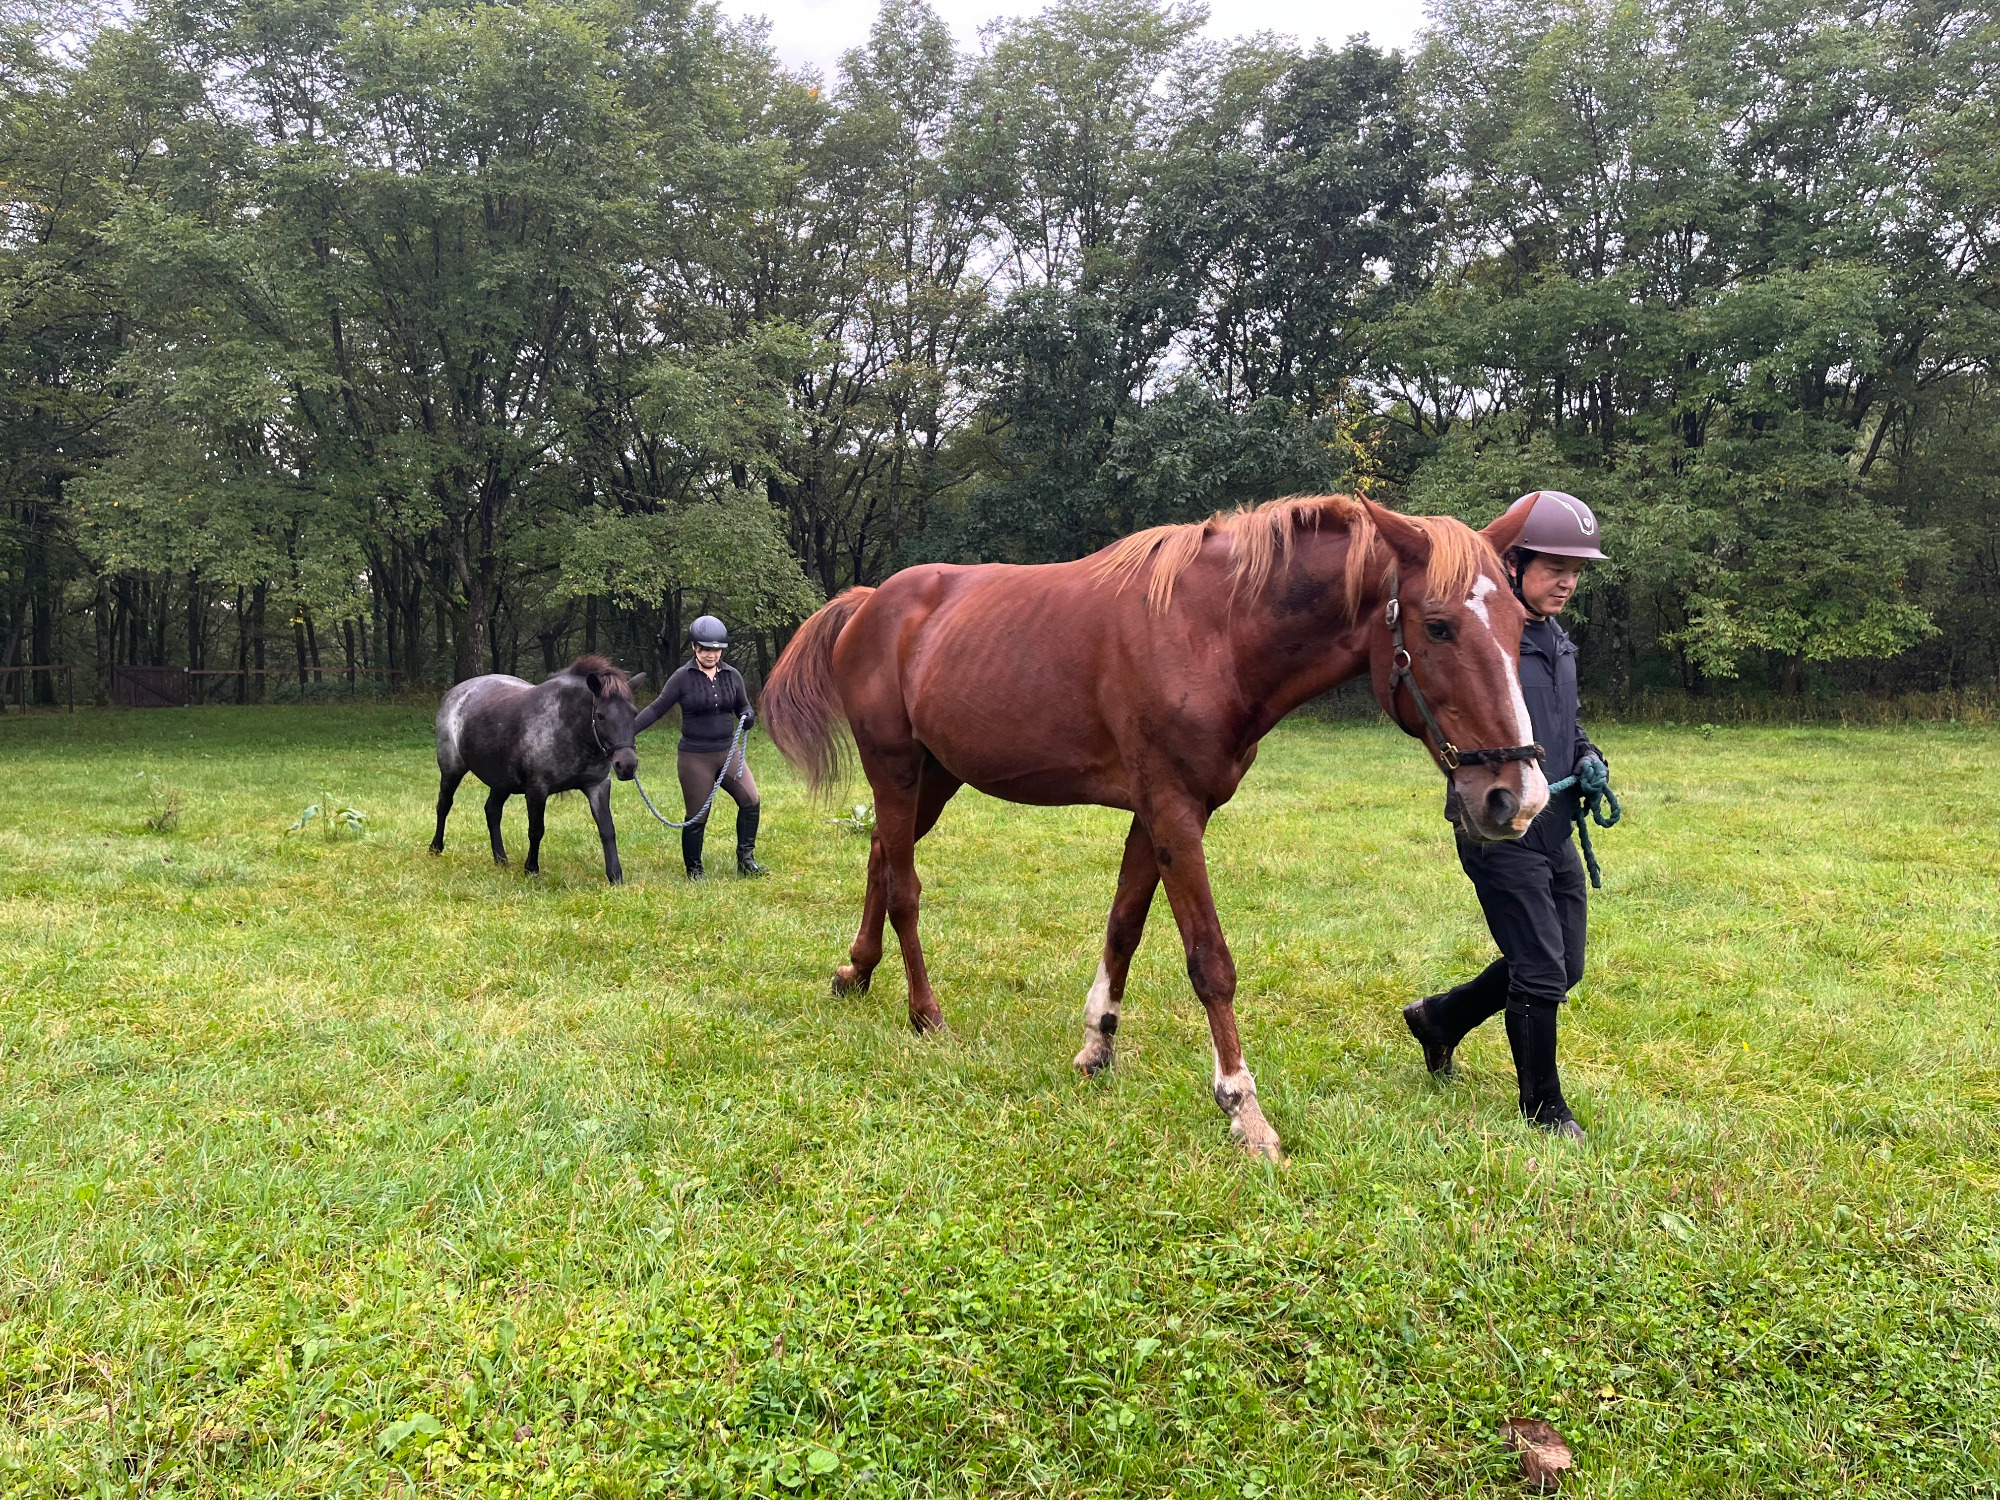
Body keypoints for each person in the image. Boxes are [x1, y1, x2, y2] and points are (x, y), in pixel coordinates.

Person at [1403, 490, 1609, 1140]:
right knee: (1541, 968)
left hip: (1553, 821)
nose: (1568, 581)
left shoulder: (1556, 640)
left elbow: (1565, 725)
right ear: (1514, 564)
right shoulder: (1490, 638)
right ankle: (1544, 1109)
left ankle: (1442, 1019)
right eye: (1555, 567)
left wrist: (1590, 756)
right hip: (1497, 827)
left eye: (1577, 570)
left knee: (1563, 965)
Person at [635, 615, 766, 879]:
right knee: (697, 815)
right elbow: (658, 708)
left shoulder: (732, 675)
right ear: (695, 647)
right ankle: (694, 869)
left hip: (728, 752)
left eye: (716, 649)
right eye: (705, 648)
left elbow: (743, 706)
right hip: (695, 756)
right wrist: (628, 731)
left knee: (751, 800)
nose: (710, 654)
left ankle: (746, 860)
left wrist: (749, 715)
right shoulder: (682, 677)